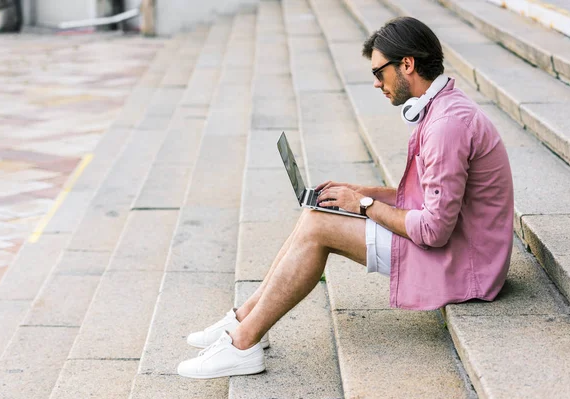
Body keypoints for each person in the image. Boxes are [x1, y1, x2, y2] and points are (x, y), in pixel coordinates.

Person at [176, 16, 514, 379]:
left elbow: (434, 230)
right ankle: (244, 320)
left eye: (379, 72)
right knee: (314, 216)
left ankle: (242, 345)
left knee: (319, 227)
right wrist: (360, 192)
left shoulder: (447, 125)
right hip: (462, 245)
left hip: (466, 264)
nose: (375, 83)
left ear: (407, 64)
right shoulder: (441, 109)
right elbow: (425, 198)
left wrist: (365, 207)